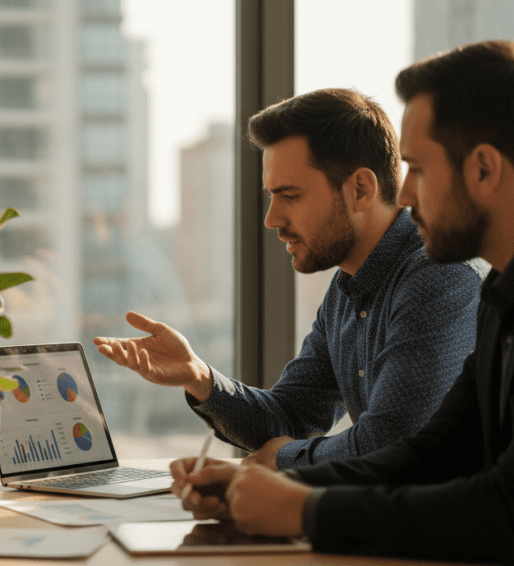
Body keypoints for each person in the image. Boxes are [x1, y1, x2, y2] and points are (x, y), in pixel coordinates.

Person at [175, 40, 514, 566]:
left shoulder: (452, 281)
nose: (406, 195)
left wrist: (303, 505)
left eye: (417, 169)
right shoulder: (502, 296)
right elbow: (433, 452)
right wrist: (280, 487)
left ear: (483, 169)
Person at [94, 89, 485, 469]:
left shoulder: (440, 277)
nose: (272, 219)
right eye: (270, 196)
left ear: (360, 189)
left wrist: (283, 460)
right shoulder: (346, 290)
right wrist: (199, 377)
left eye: (290, 196)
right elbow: (290, 418)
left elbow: (393, 444)